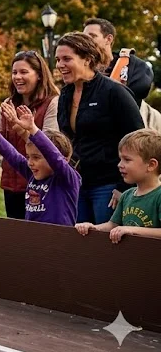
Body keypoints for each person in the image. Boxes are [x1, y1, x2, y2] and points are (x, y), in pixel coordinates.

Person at [55, 32, 144, 224]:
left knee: (106, 248)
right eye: (58, 59)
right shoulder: (65, 95)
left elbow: (139, 140)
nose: (60, 65)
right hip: (76, 184)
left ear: (87, 59)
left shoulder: (114, 92)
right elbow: (66, 141)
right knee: (81, 246)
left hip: (109, 186)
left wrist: (123, 186)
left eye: (66, 59)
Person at [0, 104, 79, 226]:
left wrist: (33, 129)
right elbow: (12, 154)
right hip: (33, 240)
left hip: (59, 242)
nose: (30, 162)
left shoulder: (67, 179)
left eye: (36, 157)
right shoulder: (32, 174)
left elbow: (53, 155)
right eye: (28, 157)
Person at [0, 51, 60, 219]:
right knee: (16, 236)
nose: (17, 77)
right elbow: (0, 145)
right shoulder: (7, 104)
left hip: (40, 184)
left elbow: (49, 147)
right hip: (11, 184)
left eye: (24, 72)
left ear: (39, 75)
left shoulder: (52, 102)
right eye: (14, 72)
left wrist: (20, 128)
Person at [76, 129, 161, 242]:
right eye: (120, 159)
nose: (120, 165)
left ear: (151, 165)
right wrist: (94, 228)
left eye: (127, 160)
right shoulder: (127, 195)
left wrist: (132, 230)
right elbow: (113, 225)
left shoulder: (158, 195)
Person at [83, 18, 153, 106]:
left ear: (108, 39)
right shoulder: (80, 67)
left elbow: (140, 91)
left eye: (92, 36)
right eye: (84, 37)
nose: (86, 41)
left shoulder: (133, 65)